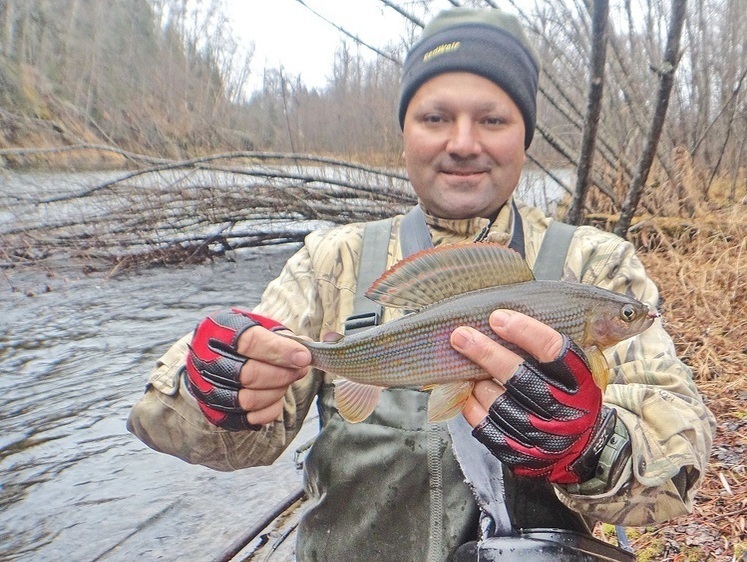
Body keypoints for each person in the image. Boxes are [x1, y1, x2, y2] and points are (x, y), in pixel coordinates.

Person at [128, 8, 715, 561]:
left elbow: (679, 463)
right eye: (435, 118)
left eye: (492, 118)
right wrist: (213, 389)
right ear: (404, 133)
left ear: (525, 135)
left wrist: (592, 445)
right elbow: (194, 434)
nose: (463, 142)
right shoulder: (331, 261)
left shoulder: (597, 264)